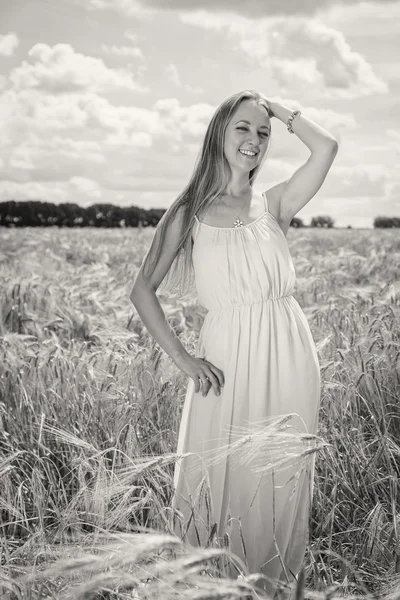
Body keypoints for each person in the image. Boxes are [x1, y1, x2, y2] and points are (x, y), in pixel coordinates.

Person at [130, 89, 339, 598]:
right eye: (242, 128)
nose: (254, 140)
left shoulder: (275, 204)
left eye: (262, 133)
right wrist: (182, 358)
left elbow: (327, 147)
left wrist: (276, 108)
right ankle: (206, 585)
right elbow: (141, 290)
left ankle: (273, 585)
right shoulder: (189, 213)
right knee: (216, 469)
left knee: (281, 479)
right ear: (219, 133)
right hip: (223, 359)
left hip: (289, 355)